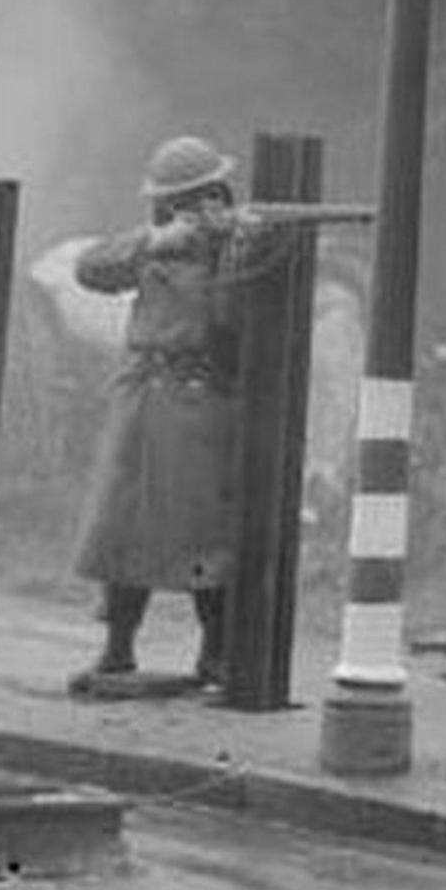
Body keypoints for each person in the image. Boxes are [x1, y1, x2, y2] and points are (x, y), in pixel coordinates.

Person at [66, 135, 291, 697]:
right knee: (121, 523)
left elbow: (232, 322)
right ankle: (116, 648)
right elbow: (90, 268)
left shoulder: (236, 248)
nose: (200, 210)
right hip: (143, 393)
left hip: (199, 396)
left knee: (202, 528)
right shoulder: (153, 247)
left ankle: (214, 653)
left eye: (207, 198)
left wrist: (238, 246)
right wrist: (157, 240)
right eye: (185, 203)